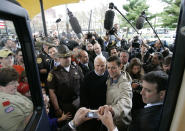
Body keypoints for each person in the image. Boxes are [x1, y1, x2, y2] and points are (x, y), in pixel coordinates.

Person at [47, 44, 84, 118]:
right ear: (59, 58)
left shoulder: (77, 68)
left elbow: (83, 85)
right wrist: (57, 109)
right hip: (64, 106)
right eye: (64, 57)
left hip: (78, 103)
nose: (67, 59)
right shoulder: (53, 72)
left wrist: (81, 98)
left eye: (68, 56)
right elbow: (52, 92)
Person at [99, 56, 132, 130]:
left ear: (120, 66)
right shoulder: (109, 79)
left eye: (113, 68)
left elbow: (126, 101)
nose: (110, 70)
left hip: (120, 124)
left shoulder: (125, 83)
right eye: (108, 68)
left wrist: (113, 110)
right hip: (109, 121)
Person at [80, 55, 108, 131]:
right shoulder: (87, 78)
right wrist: (90, 113)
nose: (100, 68)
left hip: (105, 111)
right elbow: (83, 98)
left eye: (102, 65)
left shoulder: (109, 75)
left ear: (106, 65)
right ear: (94, 65)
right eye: (98, 65)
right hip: (92, 112)